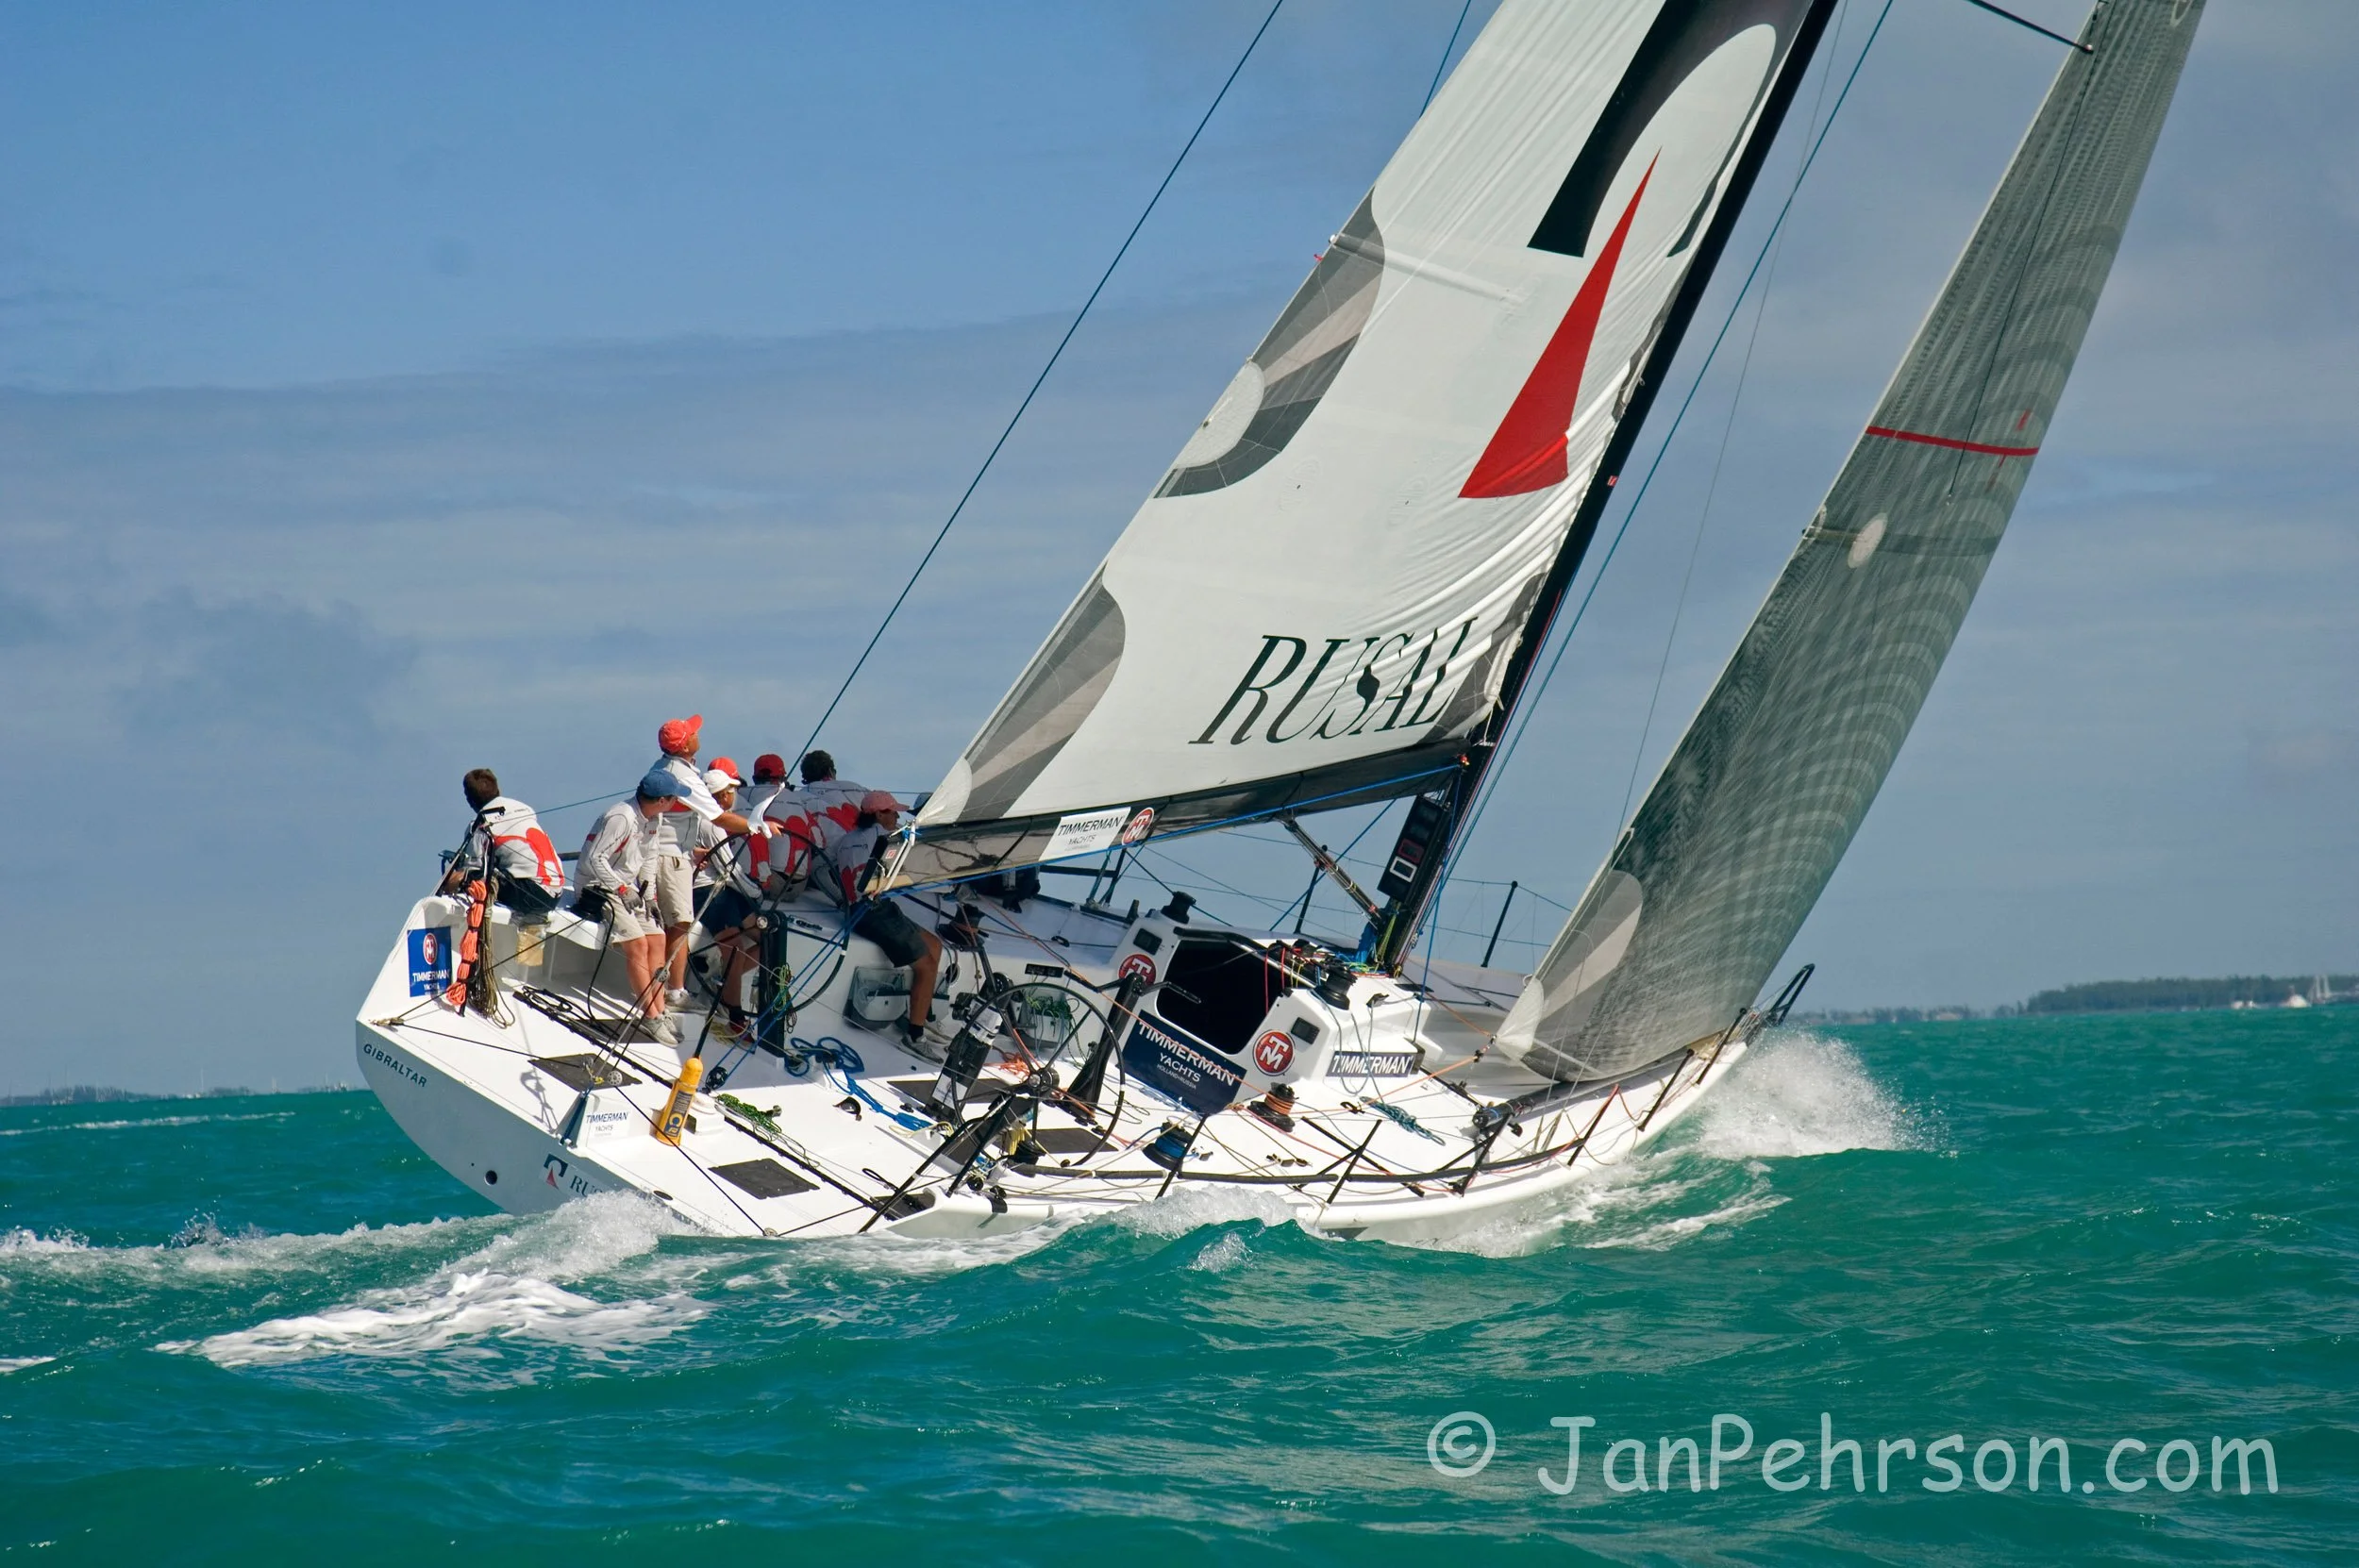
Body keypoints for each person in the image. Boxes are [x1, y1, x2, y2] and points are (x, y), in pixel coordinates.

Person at [808, 787, 945, 1048]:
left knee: (934, 944)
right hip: (871, 911)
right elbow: (869, 879)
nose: (896, 816)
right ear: (879, 814)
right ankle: (914, 1036)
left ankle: (916, 1014)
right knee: (926, 965)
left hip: (866, 907)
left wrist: (839, 898)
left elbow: (818, 868)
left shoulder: (849, 838)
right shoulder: (884, 838)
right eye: (892, 811)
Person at [648, 716, 763, 1013]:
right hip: (678, 863)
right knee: (682, 925)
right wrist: (757, 827)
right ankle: (685, 993)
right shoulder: (684, 777)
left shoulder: (669, 768)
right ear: (685, 744)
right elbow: (719, 822)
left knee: (684, 924)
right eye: (693, 732)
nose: (698, 732)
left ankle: (712, 985)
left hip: (680, 860)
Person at [577, 770, 690, 1041]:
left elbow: (649, 857)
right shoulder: (621, 817)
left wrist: (649, 895)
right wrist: (622, 888)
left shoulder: (654, 818)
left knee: (658, 939)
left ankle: (660, 1011)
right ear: (662, 799)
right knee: (638, 944)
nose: (677, 802)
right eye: (674, 798)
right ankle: (650, 1017)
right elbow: (595, 859)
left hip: (629, 890)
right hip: (599, 887)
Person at [440, 769, 566, 917]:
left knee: (467, 879)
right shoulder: (522, 809)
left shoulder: (481, 825)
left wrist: (452, 882)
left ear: (470, 800)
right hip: (557, 891)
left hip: (534, 895)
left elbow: (474, 870)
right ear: (497, 789)